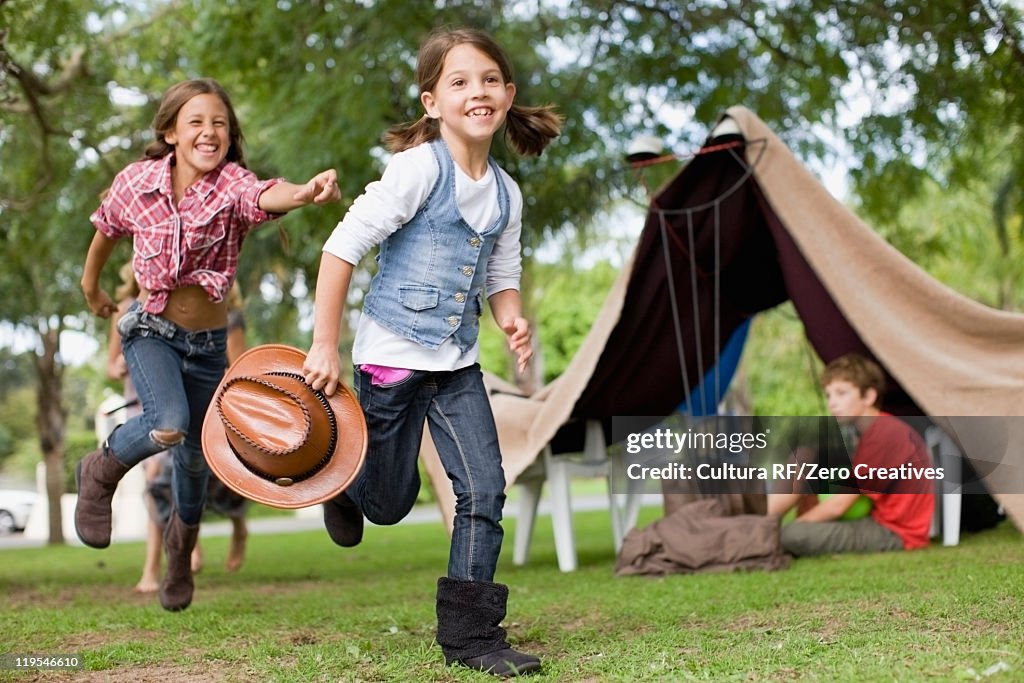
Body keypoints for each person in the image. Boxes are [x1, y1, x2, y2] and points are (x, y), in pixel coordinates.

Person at [302, 27, 560, 677]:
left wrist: (512, 318)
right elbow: (341, 248)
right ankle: (347, 486)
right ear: (432, 102)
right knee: (388, 503)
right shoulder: (419, 169)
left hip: (458, 365)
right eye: (459, 81)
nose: (478, 91)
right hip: (390, 357)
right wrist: (325, 343)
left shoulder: (507, 192)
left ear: (508, 93)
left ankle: (472, 638)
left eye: (489, 79)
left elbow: (502, 271)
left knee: (483, 488)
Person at [77, 77, 340, 613]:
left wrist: (305, 192)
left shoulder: (231, 186)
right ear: (171, 132)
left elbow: (267, 193)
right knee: (166, 423)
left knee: (198, 462)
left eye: (219, 122)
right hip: (151, 329)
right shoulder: (137, 183)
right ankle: (99, 469)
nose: (209, 131)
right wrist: (92, 287)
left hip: (207, 345)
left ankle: (181, 554)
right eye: (195, 121)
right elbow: (105, 230)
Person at [767, 354, 935, 556]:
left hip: (895, 533)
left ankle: (766, 531)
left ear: (868, 397)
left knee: (790, 535)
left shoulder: (883, 434)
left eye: (841, 393)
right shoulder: (874, 431)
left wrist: (798, 527)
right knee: (805, 457)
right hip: (877, 519)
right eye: (829, 395)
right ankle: (765, 525)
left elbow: (839, 505)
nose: (832, 403)